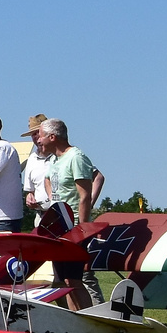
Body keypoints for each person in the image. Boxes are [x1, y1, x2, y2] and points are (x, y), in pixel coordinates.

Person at [35, 120, 102, 308]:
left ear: (52, 137)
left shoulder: (76, 157)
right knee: (63, 281)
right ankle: (75, 322)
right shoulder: (55, 159)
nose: (38, 140)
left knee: (74, 280)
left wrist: (82, 228)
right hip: (57, 228)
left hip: (73, 228)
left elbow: (84, 196)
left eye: (41, 135)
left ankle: (89, 318)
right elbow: (49, 179)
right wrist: (51, 198)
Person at [21, 113, 52, 222]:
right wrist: (30, 199)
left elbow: (98, 177)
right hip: (41, 217)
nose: (36, 137)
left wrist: (88, 203)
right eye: (33, 134)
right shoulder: (32, 159)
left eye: (38, 132)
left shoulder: (64, 155)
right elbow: (30, 191)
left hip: (64, 216)